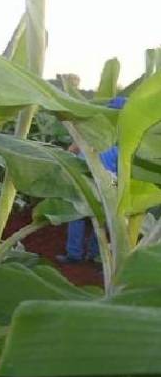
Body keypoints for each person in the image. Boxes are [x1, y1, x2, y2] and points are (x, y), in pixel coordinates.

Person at [56, 96, 126, 264]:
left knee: (100, 219)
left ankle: (94, 255)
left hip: (109, 181)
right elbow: (73, 149)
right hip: (86, 175)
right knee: (79, 215)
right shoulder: (93, 129)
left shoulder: (125, 135)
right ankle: (77, 255)